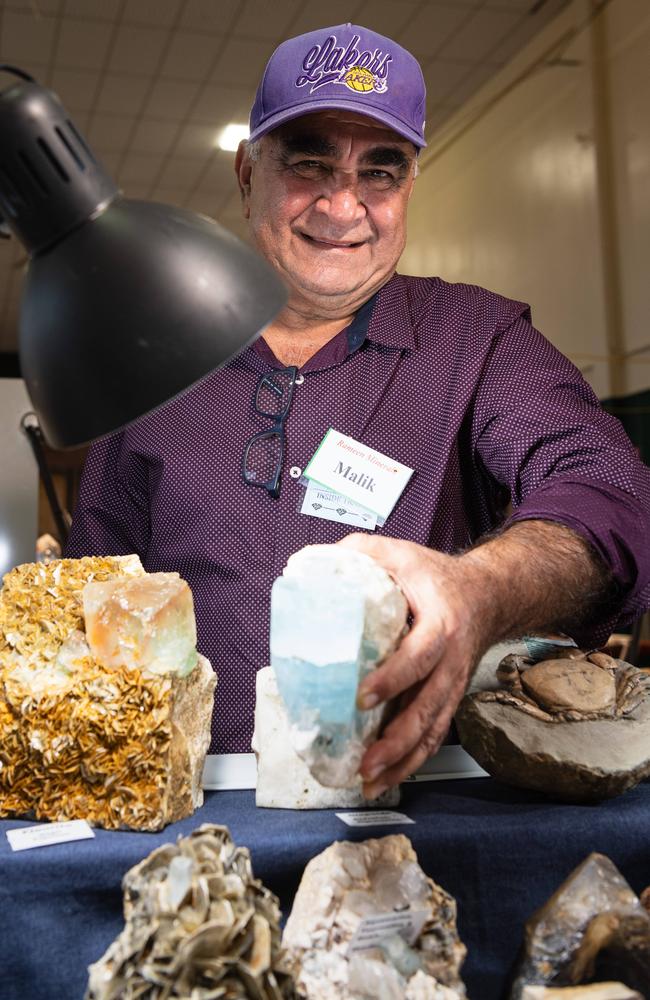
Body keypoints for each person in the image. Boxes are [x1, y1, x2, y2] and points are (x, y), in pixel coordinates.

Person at [66, 23, 650, 798]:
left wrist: (481, 588)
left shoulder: (477, 340)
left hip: (419, 800)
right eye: (309, 163)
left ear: (410, 185)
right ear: (248, 174)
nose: (344, 206)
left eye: (382, 171)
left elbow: (611, 489)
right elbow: (89, 599)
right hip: (193, 801)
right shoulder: (151, 364)